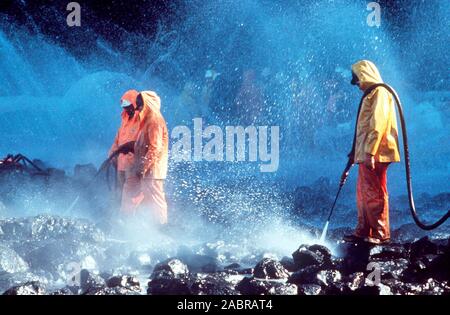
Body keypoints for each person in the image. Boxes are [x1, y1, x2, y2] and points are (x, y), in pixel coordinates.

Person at [343, 60, 400, 245]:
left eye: (357, 80)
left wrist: (370, 152)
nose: (357, 84)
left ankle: (380, 233)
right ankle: (363, 230)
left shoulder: (380, 92)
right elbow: (362, 130)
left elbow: (378, 124)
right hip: (367, 153)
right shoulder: (371, 95)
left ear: (364, 75)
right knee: (363, 191)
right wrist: (355, 154)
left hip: (376, 153)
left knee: (374, 192)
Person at [132, 91, 169, 225]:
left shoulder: (154, 120)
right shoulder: (148, 120)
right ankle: (151, 228)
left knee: (156, 200)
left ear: (148, 104)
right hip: (149, 170)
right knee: (149, 199)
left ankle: (161, 227)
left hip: (153, 170)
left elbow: (155, 147)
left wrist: (143, 167)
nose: (137, 109)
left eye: (140, 105)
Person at [109, 89, 141, 213]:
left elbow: (142, 142)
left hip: (133, 164)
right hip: (121, 164)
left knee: (131, 194)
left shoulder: (141, 120)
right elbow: (117, 139)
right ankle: (117, 215)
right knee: (119, 191)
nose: (125, 108)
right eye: (123, 105)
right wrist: (112, 154)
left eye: (127, 105)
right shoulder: (124, 120)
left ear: (134, 103)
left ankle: (130, 217)